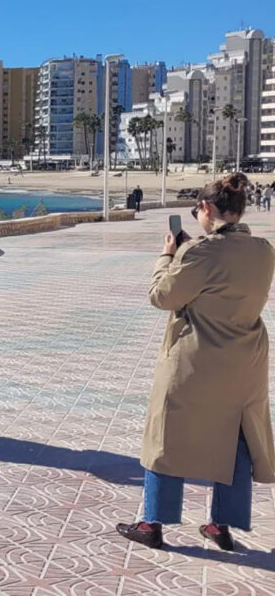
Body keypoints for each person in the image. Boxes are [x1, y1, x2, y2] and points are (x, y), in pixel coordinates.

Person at [117, 173, 275, 551]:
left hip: (196, 360)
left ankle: (152, 522)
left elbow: (162, 296)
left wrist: (168, 255)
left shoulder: (199, 252)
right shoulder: (264, 250)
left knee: (166, 435)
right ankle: (221, 525)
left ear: (205, 208)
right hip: (245, 360)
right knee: (235, 439)